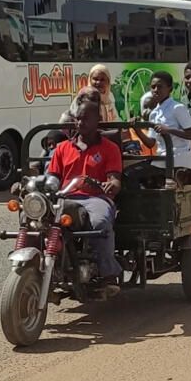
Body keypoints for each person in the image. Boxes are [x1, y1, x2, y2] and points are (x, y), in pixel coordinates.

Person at [45, 100, 124, 293]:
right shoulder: (62, 148)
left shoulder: (110, 148)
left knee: (99, 225)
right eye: (78, 119)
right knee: (36, 219)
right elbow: (52, 177)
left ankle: (108, 275)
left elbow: (115, 180)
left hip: (96, 199)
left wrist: (110, 185)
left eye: (86, 118)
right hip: (65, 197)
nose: (81, 123)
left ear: (98, 120)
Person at [144, 70, 191, 186]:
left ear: (170, 88)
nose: (156, 90)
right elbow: (150, 143)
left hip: (178, 157)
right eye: (153, 87)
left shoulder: (177, 108)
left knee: (135, 175)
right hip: (161, 159)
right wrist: (136, 128)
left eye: (160, 87)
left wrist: (168, 130)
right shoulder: (154, 113)